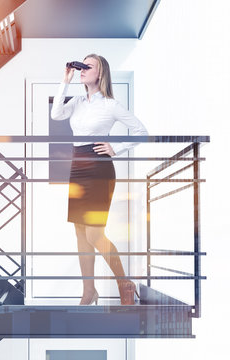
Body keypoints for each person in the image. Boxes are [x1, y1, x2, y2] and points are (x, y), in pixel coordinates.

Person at [51, 54, 148, 305]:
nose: (82, 69)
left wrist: (117, 148)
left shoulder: (110, 105)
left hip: (98, 169)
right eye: (81, 65)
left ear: (101, 73)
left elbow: (141, 132)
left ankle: (124, 282)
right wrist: (66, 81)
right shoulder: (78, 101)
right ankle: (88, 291)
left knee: (95, 235)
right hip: (77, 167)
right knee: (80, 235)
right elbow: (56, 114)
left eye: (88, 66)